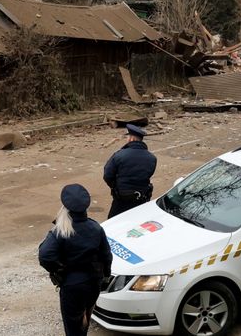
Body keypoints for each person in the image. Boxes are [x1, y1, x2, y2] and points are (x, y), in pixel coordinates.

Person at [38, 184, 112, 336]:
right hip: (93, 282)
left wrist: (59, 269)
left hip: (72, 286)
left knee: (73, 326)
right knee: (85, 316)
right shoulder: (95, 227)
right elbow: (106, 256)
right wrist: (106, 276)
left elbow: (45, 256)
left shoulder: (61, 231)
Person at [103, 123, 157, 218]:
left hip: (121, 200)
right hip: (141, 200)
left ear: (131, 138)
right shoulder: (152, 158)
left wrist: (115, 187)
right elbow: (149, 174)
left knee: (113, 223)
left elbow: (107, 175)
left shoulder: (119, 155)